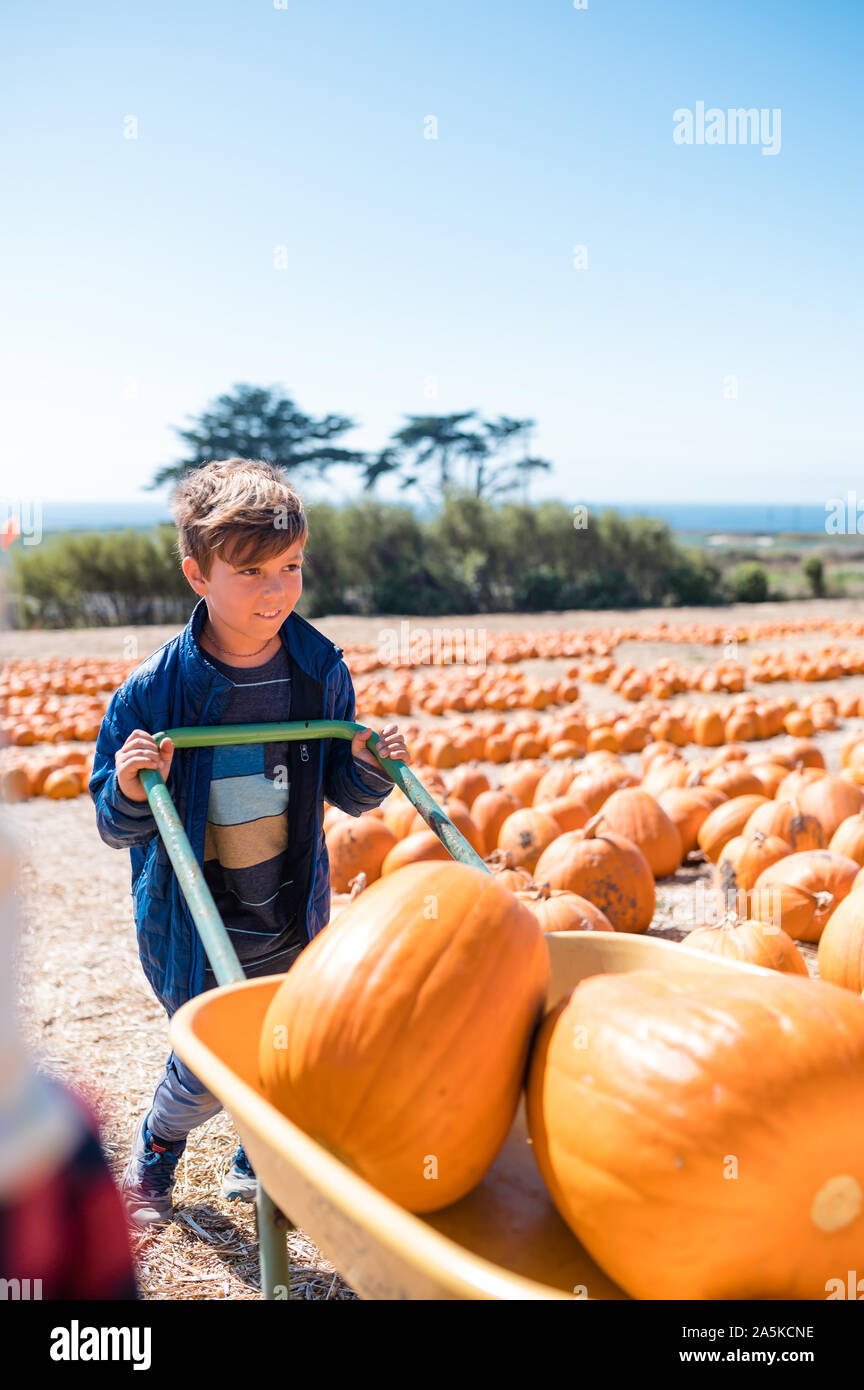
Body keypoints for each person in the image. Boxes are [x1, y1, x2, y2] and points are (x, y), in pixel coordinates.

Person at [88, 459, 410, 1228]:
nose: (276, 589)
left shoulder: (317, 668)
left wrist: (369, 769)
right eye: (252, 571)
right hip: (193, 912)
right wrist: (133, 784)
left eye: (291, 566)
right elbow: (113, 817)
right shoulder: (153, 689)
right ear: (198, 574)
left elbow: (340, 784)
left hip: (290, 897)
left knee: (286, 1039)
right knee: (209, 1059)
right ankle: (159, 1150)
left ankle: (250, 1156)